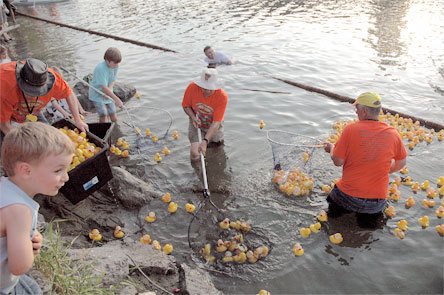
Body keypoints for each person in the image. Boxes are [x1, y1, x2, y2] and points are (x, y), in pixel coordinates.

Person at [0, 122, 75, 294]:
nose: (66, 177)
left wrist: (25, 238)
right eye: (58, 171)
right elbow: (19, 266)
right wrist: (31, 250)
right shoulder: (20, 211)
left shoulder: (4, 187)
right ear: (26, 170)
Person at [323, 92, 407, 218]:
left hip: (347, 197)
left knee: (330, 216)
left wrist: (331, 148)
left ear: (364, 111)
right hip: (375, 203)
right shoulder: (393, 133)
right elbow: (402, 162)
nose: (356, 112)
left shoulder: (350, 129)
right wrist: (386, 169)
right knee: (368, 227)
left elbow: (338, 161)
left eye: (357, 109)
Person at [0, 58, 88, 136]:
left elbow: (69, 93)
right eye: (30, 92)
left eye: (38, 92)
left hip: (31, 110)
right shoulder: (4, 87)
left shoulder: (53, 80)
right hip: (4, 109)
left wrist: (78, 120)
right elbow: (4, 126)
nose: (33, 96)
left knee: (47, 134)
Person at [182, 68, 228, 161]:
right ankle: (197, 171)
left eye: (210, 89)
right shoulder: (192, 88)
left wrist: (205, 141)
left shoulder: (222, 97)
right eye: (204, 87)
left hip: (213, 124)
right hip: (196, 121)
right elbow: (186, 106)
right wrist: (193, 117)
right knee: (195, 153)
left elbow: (216, 122)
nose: (207, 91)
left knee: (217, 149)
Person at [88, 47, 123, 123]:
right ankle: (103, 128)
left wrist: (110, 89)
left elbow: (113, 80)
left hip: (108, 92)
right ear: (107, 60)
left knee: (112, 112)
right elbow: (103, 87)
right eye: (115, 63)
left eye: (118, 63)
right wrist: (117, 99)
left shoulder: (115, 66)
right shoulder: (100, 68)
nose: (117, 65)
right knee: (103, 114)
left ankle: (116, 127)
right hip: (97, 94)